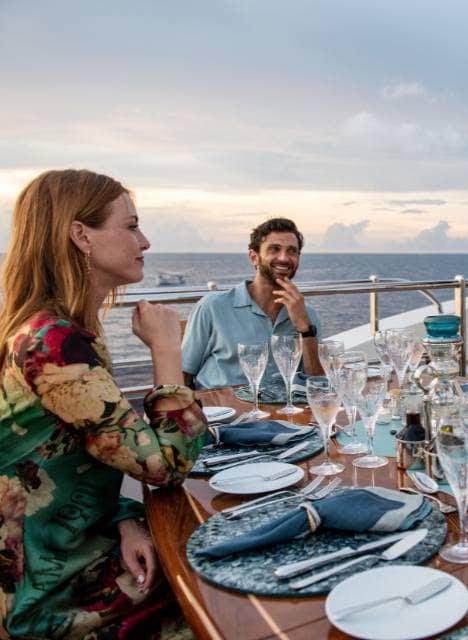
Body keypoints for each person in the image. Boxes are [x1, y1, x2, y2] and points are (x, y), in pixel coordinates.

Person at [0, 170, 208, 638]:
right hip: (51, 600)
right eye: (131, 226)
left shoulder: (57, 332)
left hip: (76, 554)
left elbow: (87, 459)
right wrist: (167, 352)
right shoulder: (54, 345)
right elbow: (169, 465)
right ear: (80, 235)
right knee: (226, 599)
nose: (146, 241)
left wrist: (125, 519)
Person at [181, 217, 323, 389]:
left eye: (292, 251)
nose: (284, 258)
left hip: (281, 413)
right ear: (254, 257)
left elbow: (318, 384)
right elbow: (183, 374)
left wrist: (305, 328)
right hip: (222, 412)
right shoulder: (212, 307)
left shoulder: (306, 315)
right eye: (274, 249)